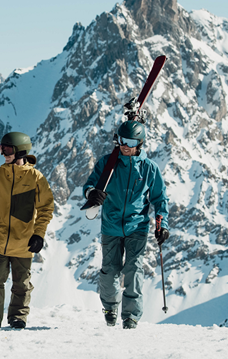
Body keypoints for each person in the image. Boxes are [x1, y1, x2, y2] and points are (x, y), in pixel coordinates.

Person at [83, 120, 169, 329]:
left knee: (133, 269)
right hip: (111, 226)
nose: (125, 145)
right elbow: (90, 184)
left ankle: (130, 316)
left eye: (130, 141)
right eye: (122, 140)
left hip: (137, 227)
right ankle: (110, 307)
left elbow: (159, 199)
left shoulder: (149, 168)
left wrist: (162, 224)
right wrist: (91, 193)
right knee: (110, 271)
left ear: (139, 144)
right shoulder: (108, 163)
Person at [0, 132, 54, 329]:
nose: (4, 154)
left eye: (8, 149)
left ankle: (18, 316)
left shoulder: (35, 177)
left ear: (21, 150)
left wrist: (38, 234)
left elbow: (46, 208)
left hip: (24, 241)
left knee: (22, 284)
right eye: (2, 149)